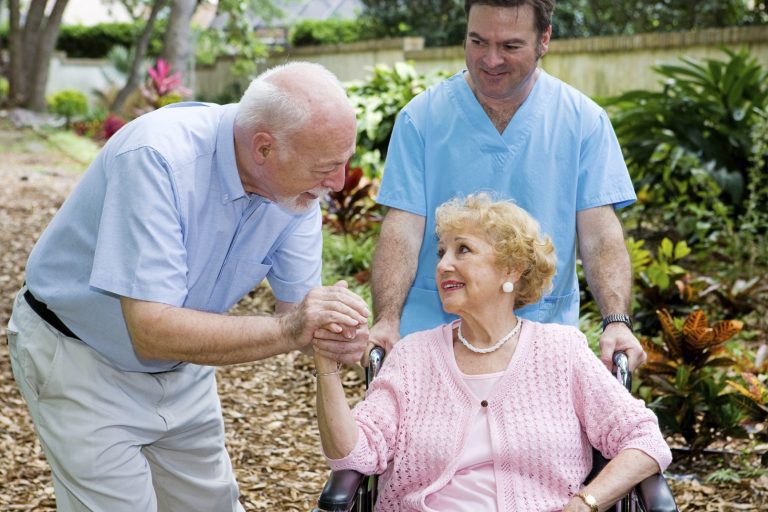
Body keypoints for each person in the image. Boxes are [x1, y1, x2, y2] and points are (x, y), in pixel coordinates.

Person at [6, 62, 371, 511]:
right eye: (327, 167)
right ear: (264, 148)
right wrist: (294, 329)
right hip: (80, 357)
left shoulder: (296, 192)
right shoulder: (157, 156)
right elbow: (152, 330)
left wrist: (337, 333)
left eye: (345, 162)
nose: (337, 182)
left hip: (184, 365)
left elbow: (297, 313)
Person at [313, 193, 671, 511]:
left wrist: (585, 503)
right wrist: (326, 367)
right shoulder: (412, 358)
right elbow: (355, 452)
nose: (442, 265)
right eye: (441, 253)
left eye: (463, 250)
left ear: (511, 269)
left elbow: (644, 439)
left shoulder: (561, 352)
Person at [369, 0, 645, 371]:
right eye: (478, 42)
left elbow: (600, 235)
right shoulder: (421, 119)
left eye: (510, 46)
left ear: (544, 39)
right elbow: (402, 228)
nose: (490, 59)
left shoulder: (584, 122)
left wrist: (616, 321)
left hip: (541, 341)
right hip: (433, 339)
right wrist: (386, 320)